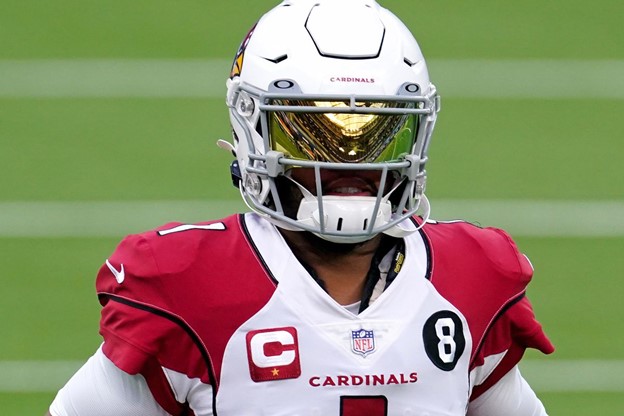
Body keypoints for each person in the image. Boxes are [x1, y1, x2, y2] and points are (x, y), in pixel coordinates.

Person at [46, 0, 554, 415]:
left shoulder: (469, 277)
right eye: (312, 133)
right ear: (253, 131)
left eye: (377, 135)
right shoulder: (187, 283)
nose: (352, 164)